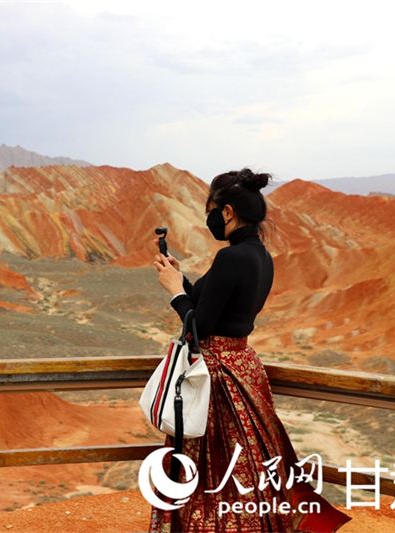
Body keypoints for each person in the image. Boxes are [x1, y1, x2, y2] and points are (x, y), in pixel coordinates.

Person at [148, 168, 351, 533]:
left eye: (211, 210)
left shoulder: (230, 258)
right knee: (249, 464)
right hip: (244, 368)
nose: (210, 218)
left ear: (227, 212)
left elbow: (200, 328)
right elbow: (219, 307)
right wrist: (181, 280)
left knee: (213, 467)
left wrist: (174, 292)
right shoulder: (260, 257)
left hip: (218, 376)